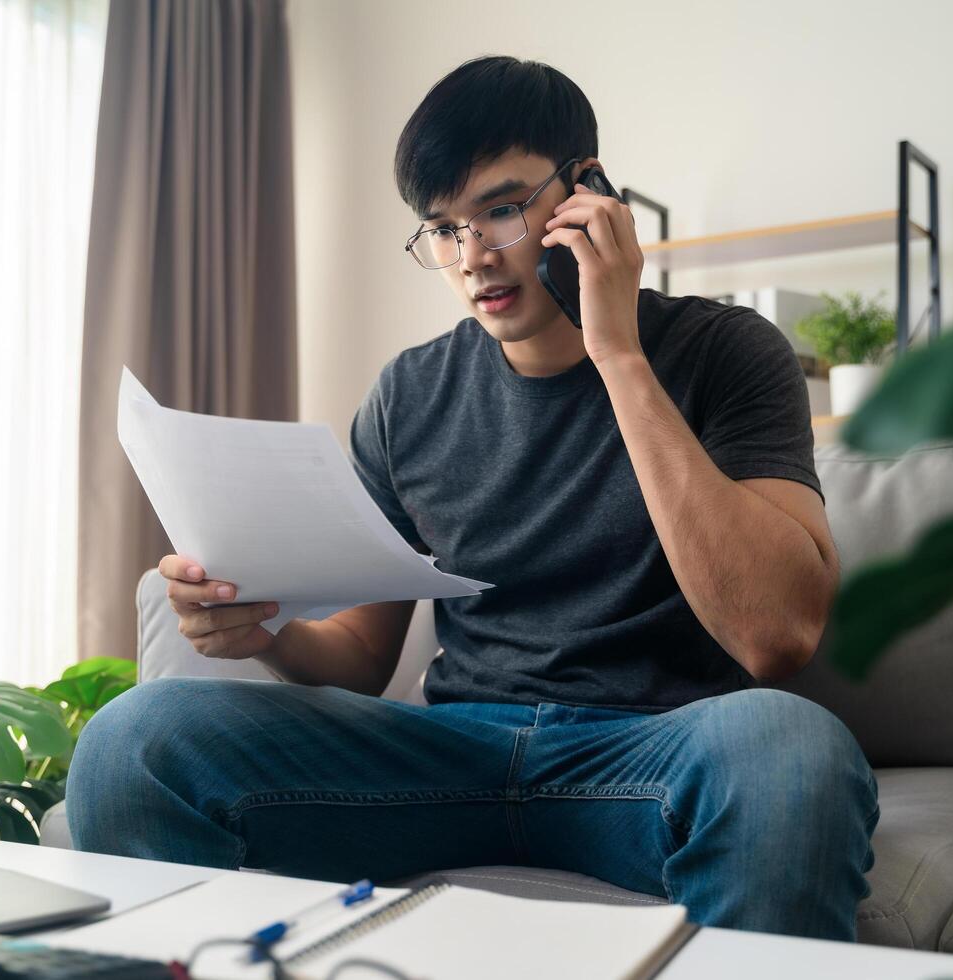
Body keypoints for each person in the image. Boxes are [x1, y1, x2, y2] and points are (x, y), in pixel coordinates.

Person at [69, 55, 878, 941]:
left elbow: (778, 636)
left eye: (501, 209)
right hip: (451, 756)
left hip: (648, 756)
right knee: (132, 742)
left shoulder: (727, 353)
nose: (474, 257)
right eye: (443, 228)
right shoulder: (408, 397)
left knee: (793, 750)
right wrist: (270, 634)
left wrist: (617, 352)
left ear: (588, 192)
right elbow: (361, 661)